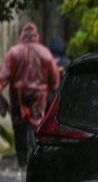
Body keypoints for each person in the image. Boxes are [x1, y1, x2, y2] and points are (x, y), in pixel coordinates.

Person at [0, 23, 60, 167]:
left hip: (18, 97)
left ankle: (21, 164)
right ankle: (34, 165)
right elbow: (55, 81)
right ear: (36, 36)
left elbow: (2, 79)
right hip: (38, 99)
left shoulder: (13, 53)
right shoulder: (45, 53)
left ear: (22, 36)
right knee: (35, 128)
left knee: (19, 129)